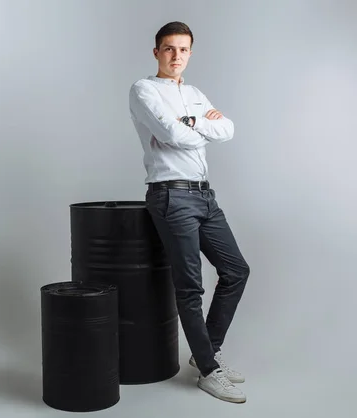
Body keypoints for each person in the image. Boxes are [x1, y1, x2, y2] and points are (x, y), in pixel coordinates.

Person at [128, 21, 251, 403]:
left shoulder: (195, 93)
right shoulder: (144, 89)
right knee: (191, 286)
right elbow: (171, 135)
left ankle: (205, 354)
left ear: (190, 53)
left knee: (236, 270)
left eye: (183, 50)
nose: (176, 56)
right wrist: (199, 129)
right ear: (156, 53)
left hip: (204, 196)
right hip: (170, 196)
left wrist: (193, 121)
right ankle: (209, 371)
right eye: (168, 49)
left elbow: (228, 129)